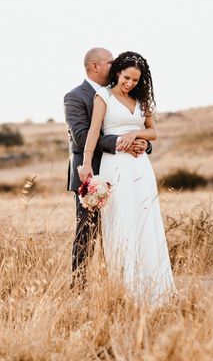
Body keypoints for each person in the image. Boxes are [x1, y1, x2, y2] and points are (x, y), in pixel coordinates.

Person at [78, 51, 175, 306]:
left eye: (135, 80)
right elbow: (92, 133)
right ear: (118, 73)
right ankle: (126, 291)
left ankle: (155, 290)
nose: (130, 83)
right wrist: (86, 164)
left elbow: (153, 131)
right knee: (122, 221)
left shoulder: (142, 100)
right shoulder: (104, 97)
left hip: (140, 168)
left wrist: (136, 134)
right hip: (116, 166)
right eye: (126, 77)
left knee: (145, 220)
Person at [64, 48, 151, 288]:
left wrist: (142, 143)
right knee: (87, 234)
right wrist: (122, 144)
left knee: (123, 229)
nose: (115, 66)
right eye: (110, 62)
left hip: (123, 172)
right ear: (94, 66)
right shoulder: (75, 97)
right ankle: (79, 287)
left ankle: (118, 283)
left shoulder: (122, 93)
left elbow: (135, 124)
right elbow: (82, 137)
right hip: (90, 175)